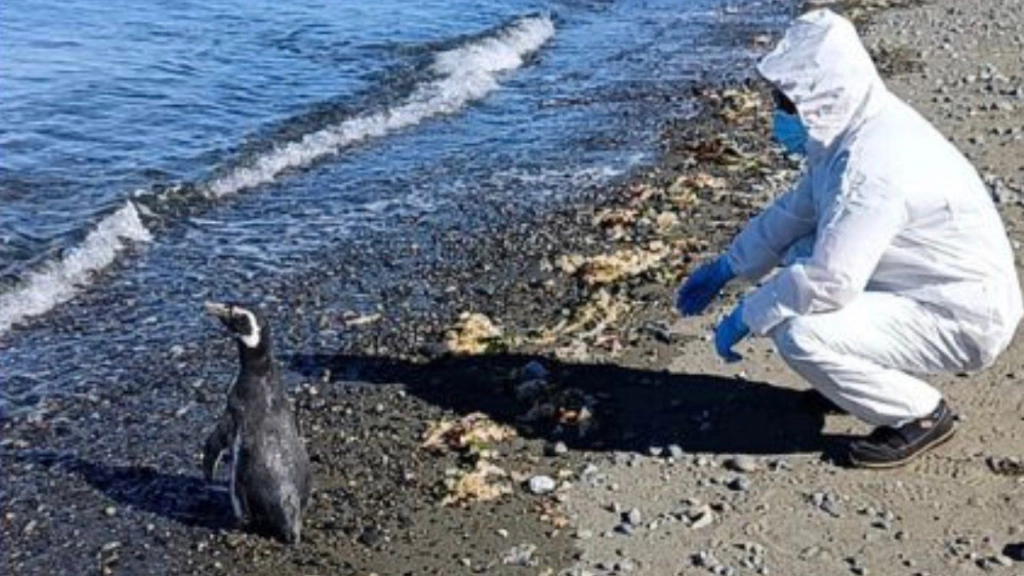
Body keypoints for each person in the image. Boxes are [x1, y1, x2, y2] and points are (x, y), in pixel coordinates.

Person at [677, 9, 1022, 468]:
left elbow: (830, 280)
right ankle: (857, 381)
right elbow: (795, 212)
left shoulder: (871, 165)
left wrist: (748, 312)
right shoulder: (853, 131)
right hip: (928, 286)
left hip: (962, 315)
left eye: (787, 103)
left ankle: (919, 414)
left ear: (822, 97)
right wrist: (729, 266)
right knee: (800, 249)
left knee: (799, 330)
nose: (780, 113)